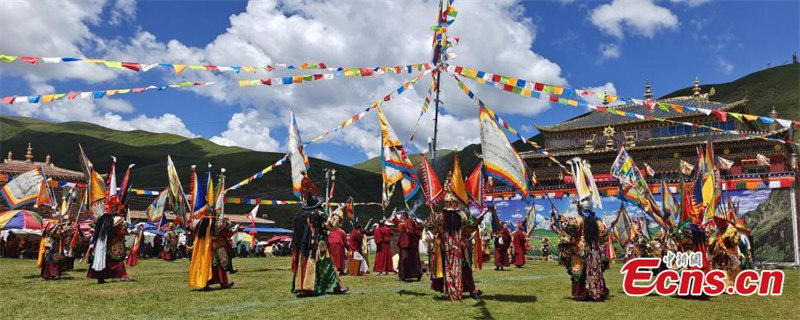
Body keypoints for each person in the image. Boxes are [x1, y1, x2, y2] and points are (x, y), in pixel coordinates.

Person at [423, 184, 485, 301]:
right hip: (459, 247)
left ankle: (452, 291)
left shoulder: (439, 216)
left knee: (450, 269)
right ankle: (461, 291)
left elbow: (427, 225)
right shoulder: (462, 216)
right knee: (463, 270)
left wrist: (435, 223)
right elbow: (471, 227)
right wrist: (479, 220)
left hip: (445, 248)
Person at [290, 176, 348, 297]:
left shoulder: (299, 215)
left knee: (305, 264)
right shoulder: (319, 213)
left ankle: (303, 288)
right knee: (327, 265)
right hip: (317, 243)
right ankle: (334, 287)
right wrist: (339, 212)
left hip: (302, 245)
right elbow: (331, 225)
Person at [559, 196, 609, 301]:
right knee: (594, 271)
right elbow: (604, 235)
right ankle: (596, 291)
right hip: (594, 250)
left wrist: (563, 220)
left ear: (580, 208)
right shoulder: (598, 222)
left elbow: (569, 228)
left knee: (580, 271)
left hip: (580, 250)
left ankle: (583, 292)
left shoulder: (579, 220)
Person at [87, 199, 131, 284]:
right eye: (112, 206)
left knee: (115, 260)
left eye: (115, 207)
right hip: (104, 243)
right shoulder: (105, 219)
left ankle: (121, 275)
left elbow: (123, 230)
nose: (113, 208)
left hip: (111, 243)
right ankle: (101, 277)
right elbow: (94, 229)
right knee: (103, 259)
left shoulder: (117, 219)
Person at [394, 211, 422, 281]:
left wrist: (406, 228)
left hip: (408, 243)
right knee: (408, 259)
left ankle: (410, 275)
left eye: (402, 216)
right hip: (406, 243)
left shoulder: (409, 221)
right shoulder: (405, 222)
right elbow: (394, 220)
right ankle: (404, 275)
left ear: (404, 216)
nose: (401, 218)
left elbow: (411, 231)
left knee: (405, 259)